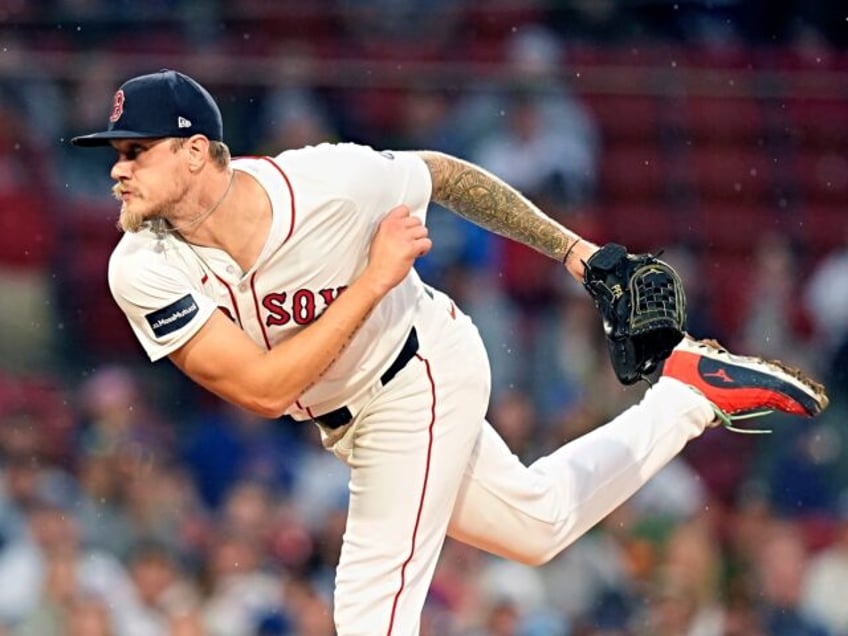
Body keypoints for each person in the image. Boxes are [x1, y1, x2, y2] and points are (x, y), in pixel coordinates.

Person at [72, 69, 828, 635]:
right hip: (349, 409)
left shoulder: (329, 181)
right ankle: (689, 394)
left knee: (369, 612)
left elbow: (443, 175)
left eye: (137, 150)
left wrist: (577, 255)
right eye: (115, 152)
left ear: (198, 152)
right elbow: (263, 393)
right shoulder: (139, 265)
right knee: (538, 527)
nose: (118, 167)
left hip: (419, 368)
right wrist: (371, 281)